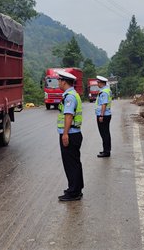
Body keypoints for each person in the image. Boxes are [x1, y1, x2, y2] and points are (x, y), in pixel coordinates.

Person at [56, 71, 84, 201]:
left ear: (64, 82)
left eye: (59, 80)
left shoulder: (70, 97)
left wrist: (65, 134)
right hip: (74, 133)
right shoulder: (73, 94)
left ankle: (73, 192)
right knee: (75, 163)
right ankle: (76, 189)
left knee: (71, 164)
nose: (58, 83)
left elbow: (68, 115)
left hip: (71, 134)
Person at [95, 75, 112, 158]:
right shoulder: (106, 90)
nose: (97, 83)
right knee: (106, 133)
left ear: (101, 83)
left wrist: (101, 115)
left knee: (104, 134)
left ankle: (106, 151)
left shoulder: (104, 92)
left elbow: (104, 104)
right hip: (106, 115)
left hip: (103, 115)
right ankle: (106, 150)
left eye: (98, 82)